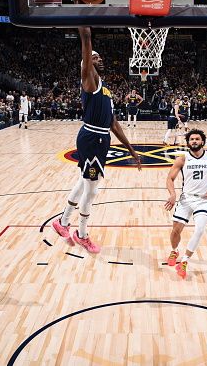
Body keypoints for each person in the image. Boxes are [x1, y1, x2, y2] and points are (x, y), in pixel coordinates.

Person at [52, 25, 141, 253]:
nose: (99, 59)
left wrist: (131, 151)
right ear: (87, 64)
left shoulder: (107, 91)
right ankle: (82, 234)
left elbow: (113, 124)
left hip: (101, 139)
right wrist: (86, 34)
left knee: (84, 182)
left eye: (100, 57)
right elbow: (86, 54)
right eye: (95, 57)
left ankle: (62, 223)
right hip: (92, 137)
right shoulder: (89, 82)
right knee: (91, 191)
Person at [164, 129, 207, 279]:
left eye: (197, 139)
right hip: (186, 199)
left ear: (202, 141)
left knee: (200, 229)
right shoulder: (182, 159)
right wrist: (172, 194)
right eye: (192, 139)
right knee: (176, 231)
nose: (194, 141)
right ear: (188, 142)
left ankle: (184, 261)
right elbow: (170, 179)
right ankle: (175, 250)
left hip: (203, 200)